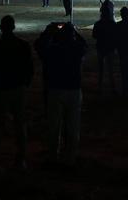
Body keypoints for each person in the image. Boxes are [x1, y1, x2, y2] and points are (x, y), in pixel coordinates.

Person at [34, 21, 87, 165]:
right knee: (73, 126)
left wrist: (48, 30)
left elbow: (38, 46)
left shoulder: (53, 50)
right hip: (74, 90)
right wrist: (74, 31)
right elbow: (85, 44)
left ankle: (53, 155)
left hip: (55, 90)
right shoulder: (77, 49)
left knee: (54, 125)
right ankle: (70, 157)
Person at [0, 15, 33, 170]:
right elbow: (29, 67)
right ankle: (21, 159)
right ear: (13, 27)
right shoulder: (23, 45)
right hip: (18, 88)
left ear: (1, 28)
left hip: (1, 89)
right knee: (20, 125)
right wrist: (26, 83)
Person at [92, 5, 118, 94]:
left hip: (101, 47)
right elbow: (116, 36)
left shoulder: (98, 24)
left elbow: (94, 35)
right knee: (110, 68)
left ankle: (100, 86)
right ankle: (112, 87)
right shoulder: (112, 24)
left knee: (101, 68)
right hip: (110, 47)